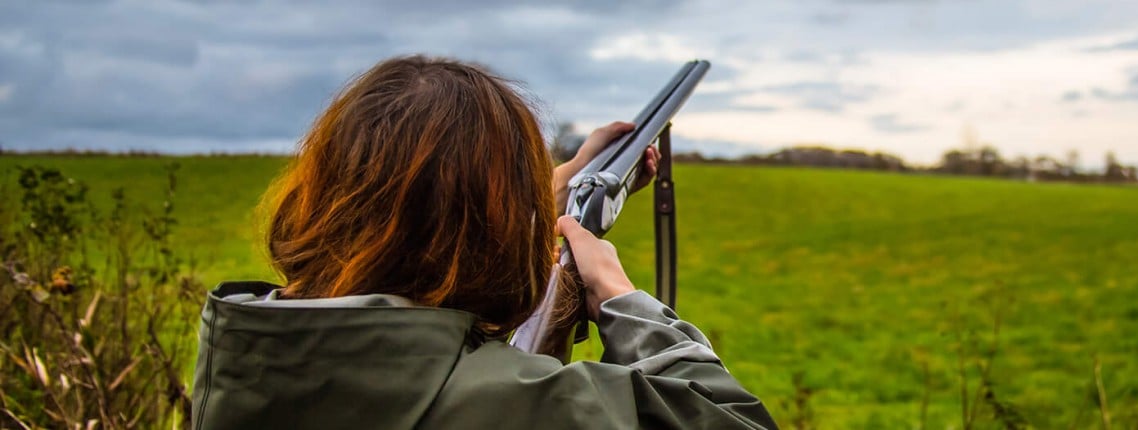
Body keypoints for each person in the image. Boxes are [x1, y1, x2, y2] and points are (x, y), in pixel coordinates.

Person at [188, 55, 776, 429]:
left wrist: (546, 190)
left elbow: (408, 235)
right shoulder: (501, 403)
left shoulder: (250, 352)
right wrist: (621, 297)